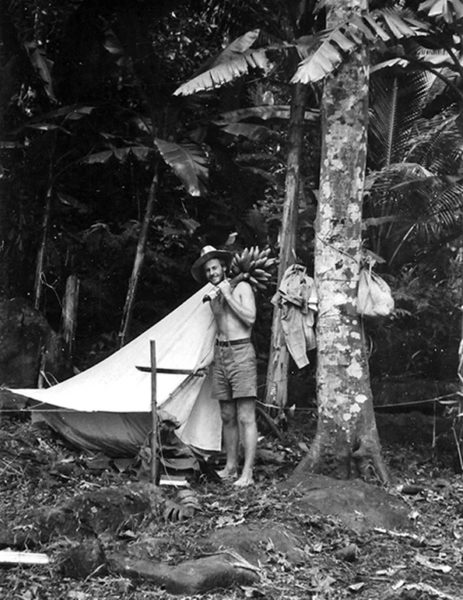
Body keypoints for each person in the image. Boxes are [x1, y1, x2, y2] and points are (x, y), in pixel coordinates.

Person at [191, 245, 258, 487]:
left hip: (242, 353)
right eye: (207, 270)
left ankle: (247, 473)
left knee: (245, 416)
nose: (211, 272)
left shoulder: (241, 288)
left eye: (214, 267)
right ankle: (231, 467)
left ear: (223, 267)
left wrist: (228, 295)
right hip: (221, 356)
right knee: (227, 415)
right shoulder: (212, 297)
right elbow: (218, 331)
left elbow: (250, 319)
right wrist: (206, 360)